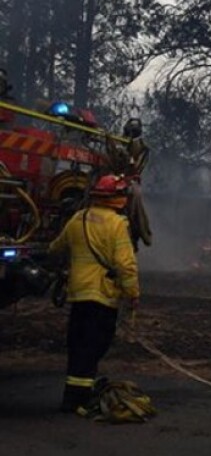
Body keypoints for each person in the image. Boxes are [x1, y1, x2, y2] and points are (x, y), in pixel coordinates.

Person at [49, 174, 140, 413]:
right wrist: (132, 293)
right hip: (102, 295)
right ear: (117, 198)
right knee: (94, 345)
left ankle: (74, 395)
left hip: (79, 294)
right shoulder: (117, 224)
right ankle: (78, 399)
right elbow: (126, 265)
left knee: (78, 344)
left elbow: (56, 248)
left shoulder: (79, 218)